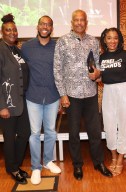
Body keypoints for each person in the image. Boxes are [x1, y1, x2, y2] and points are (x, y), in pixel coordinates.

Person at [54, 9, 112, 180]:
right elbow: (57, 70)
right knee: (73, 132)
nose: (79, 23)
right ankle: (77, 165)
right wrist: (62, 94)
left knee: (95, 131)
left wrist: (98, 74)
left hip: (90, 93)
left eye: (82, 20)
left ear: (86, 22)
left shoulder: (93, 41)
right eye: (76, 20)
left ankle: (98, 162)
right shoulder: (63, 41)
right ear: (72, 22)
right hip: (71, 95)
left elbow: (98, 64)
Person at [21, 15, 61, 185]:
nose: (45, 27)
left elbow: (62, 70)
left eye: (49, 25)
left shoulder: (58, 46)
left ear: (52, 28)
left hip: (53, 95)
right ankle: (36, 167)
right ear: (37, 27)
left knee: (51, 131)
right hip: (33, 96)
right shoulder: (26, 47)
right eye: (42, 24)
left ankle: (47, 161)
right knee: (35, 133)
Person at [99, 28, 126, 176]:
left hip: (125, 91)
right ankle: (113, 157)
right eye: (109, 38)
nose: (112, 41)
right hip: (108, 91)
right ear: (104, 40)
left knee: (124, 125)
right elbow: (101, 78)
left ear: (119, 40)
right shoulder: (101, 57)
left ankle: (120, 159)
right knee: (109, 126)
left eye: (115, 38)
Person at [0, 14, 30, 184]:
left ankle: (16, 165)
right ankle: (12, 168)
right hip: (7, 103)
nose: (12, 32)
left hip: (22, 101)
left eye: (14, 29)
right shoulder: (1, 50)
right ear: (2, 32)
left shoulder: (17, 50)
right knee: (10, 137)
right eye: (8, 30)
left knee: (25, 133)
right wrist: (1, 105)